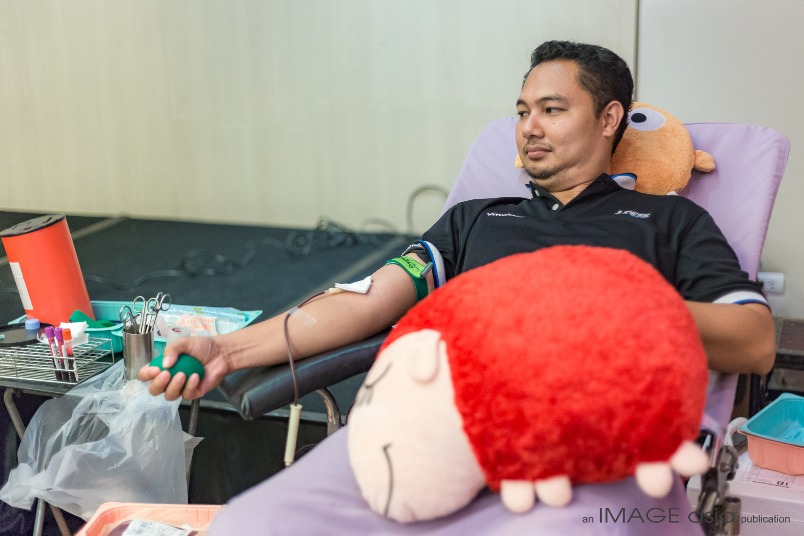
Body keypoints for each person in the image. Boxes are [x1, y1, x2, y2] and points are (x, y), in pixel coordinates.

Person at [139, 40, 775, 404]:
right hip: (449, 428)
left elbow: (753, 339)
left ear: (609, 119)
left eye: (552, 109)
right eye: (522, 111)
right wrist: (227, 350)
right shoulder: (476, 220)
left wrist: (607, 304)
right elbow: (367, 299)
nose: (529, 127)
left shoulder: (669, 221)